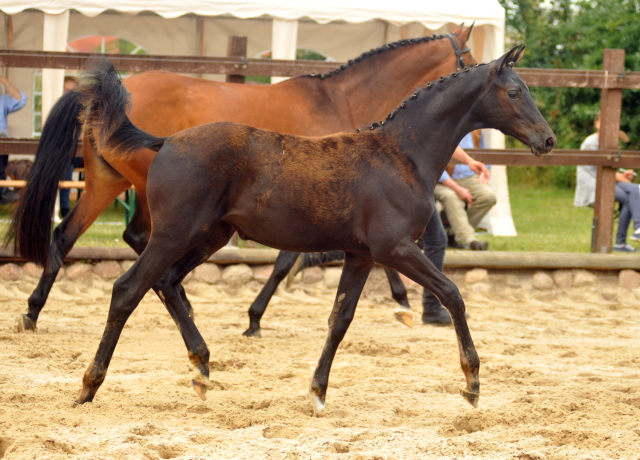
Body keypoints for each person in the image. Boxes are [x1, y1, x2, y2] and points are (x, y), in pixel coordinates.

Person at [290, 148, 490, 326]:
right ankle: (432, 308)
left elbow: (445, 141)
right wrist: (459, 180)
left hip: (401, 182)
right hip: (408, 185)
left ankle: (315, 258)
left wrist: (468, 161)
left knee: (379, 242)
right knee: (429, 241)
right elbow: (427, 157)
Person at [574, 112, 640, 252]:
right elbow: (600, 170)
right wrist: (620, 177)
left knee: (635, 189)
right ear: (596, 124)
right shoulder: (590, 142)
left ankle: (637, 230)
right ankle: (622, 241)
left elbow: (610, 167)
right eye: (603, 122)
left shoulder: (610, 141)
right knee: (628, 198)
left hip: (607, 180)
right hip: (593, 183)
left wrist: (623, 174)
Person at [434, 130, 496, 250]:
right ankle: (470, 241)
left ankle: (453, 234)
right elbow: (435, 167)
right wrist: (458, 189)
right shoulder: (443, 127)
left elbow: (483, 154)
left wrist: (483, 173)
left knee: (488, 196)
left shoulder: (476, 130)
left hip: (468, 177)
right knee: (452, 197)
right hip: (441, 179)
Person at [0, 73, 28, 205]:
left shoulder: (2, 100)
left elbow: (20, 99)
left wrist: (4, 81)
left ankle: (2, 191)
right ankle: (2, 192)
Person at [59, 76, 82, 218]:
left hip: (78, 152)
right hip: (65, 153)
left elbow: (80, 135)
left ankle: (65, 208)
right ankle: (64, 208)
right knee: (66, 167)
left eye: (74, 90)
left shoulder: (80, 108)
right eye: (68, 90)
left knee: (66, 165)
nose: (71, 93)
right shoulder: (58, 108)